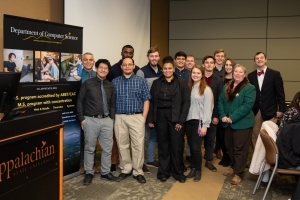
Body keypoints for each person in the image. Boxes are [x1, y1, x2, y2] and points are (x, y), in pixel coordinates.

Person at [77, 59, 120, 185]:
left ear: (108, 71)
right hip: (91, 119)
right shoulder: (88, 83)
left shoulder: (110, 85)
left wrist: (111, 119)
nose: (103, 70)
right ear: (97, 68)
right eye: (101, 67)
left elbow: (112, 104)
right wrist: (82, 119)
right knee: (89, 148)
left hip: (106, 120)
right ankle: (89, 172)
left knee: (107, 149)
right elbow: (80, 100)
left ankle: (106, 172)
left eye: (106, 68)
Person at [147, 56, 190, 183]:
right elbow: (152, 101)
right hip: (160, 117)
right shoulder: (156, 83)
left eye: (169, 68)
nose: (167, 70)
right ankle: (164, 171)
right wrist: (150, 119)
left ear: (174, 69)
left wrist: (181, 121)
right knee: (163, 145)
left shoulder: (182, 83)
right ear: (162, 70)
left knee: (176, 145)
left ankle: (177, 171)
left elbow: (186, 102)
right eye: (165, 68)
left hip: (176, 118)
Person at [112, 57, 151, 184]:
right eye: (125, 65)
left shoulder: (141, 81)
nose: (127, 67)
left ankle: (138, 171)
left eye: (130, 65)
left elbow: (146, 99)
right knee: (122, 144)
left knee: (138, 145)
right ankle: (126, 169)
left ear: (134, 66)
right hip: (120, 117)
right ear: (121, 67)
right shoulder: (115, 82)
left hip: (137, 117)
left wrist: (143, 118)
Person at [218, 64, 256, 185]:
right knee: (229, 147)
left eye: (240, 72)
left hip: (242, 124)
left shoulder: (249, 88)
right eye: (236, 72)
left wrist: (232, 118)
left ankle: (238, 173)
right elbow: (220, 101)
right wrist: (223, 115)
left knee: (240, 149)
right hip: (227, 123)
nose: (237, 74)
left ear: (244, 75)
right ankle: (233, 167)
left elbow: (247, 106)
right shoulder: (226, 85)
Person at [107, 45, 141, 172]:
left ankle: (137, 167)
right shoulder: (113, 70)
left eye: (130, 53)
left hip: (135, 113)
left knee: (136, 143)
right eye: (125, 52)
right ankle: (114, 162)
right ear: (121, 53)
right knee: (118, 141)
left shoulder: (137, 70)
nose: (127, 54)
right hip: (118, 113)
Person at [248, 52, 286, 152]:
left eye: (261, 58)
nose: (259, 59)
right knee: (255, 136)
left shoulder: (275, 74)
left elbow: (280, 93)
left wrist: (281, 109)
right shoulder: (250, 76)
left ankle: (269, 161)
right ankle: (256, 162)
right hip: (255, 111)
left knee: (269, 136)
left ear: (266, 60)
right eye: (257, 58)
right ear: (254, 61)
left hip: (271, 111)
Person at [136, 47, 162, 173]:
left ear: (159, 57)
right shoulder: (142, 71)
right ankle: (142, 162)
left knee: (154, 137)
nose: (154, 58)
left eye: (156, 56)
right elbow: (138, 92)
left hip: (159, 110)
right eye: (152, 56)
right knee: (144, 138)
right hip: (145, 109)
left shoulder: (163, 70)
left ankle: (150, 159)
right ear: (148, 57)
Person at [185, 65, 213, 182]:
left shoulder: (206, 90)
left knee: (196, 148)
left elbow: (208, 108)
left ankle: (198, 170)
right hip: (188, 121)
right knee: (191, 146)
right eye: (193, 73)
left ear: (202, 75)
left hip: (199, 122)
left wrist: (205, 126)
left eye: (198, 73)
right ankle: (193, 168)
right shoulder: (189, 87)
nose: (195, 75)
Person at [78, 52, 98, 174]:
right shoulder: (78, 75)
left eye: (90, 59)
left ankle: (92, 164)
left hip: (94, 113)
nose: (88, 62)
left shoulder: (98, 75)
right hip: (82, 111)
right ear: (82, 61)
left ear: (94, 61)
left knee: (92, 140)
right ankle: (82, 164)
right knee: (82, 140)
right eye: (86, 59)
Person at [202, 56, 223, 172]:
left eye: (211, 63)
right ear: (203, 64)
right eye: (207, 63)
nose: (209, 65)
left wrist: (216, 116)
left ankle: (209, 160)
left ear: (214, 65)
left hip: (212, 114)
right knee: (198, 139)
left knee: (210, 138)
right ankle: (196, 161)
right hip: (198, 114)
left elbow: (219, 99)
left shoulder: (218, 80)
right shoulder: (198, 78)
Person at [174, 51, 190, 172]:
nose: (180, 61)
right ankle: (177, 161)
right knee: (177, 139)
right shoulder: (170, 72)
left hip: (189, 109)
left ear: (185, 61)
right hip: (174, 112)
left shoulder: (190, 74)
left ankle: (188, 159)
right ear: (175, 60)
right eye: (178, 59)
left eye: (182, 59)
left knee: (189, 137)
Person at [218, 58, 236, 167]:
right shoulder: (221, 80)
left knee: (233, 138)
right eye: (227, 65)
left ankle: (232, 157)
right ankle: (225, 155)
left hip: (233, 114)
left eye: (230, 65)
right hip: (223, 112)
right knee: (222, 136)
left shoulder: (238, 80)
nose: (228, 67)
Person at [213, 49, 226, 160]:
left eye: (222, 56)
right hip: (211, 101)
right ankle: (211, 148)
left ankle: (218, 148)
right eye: (218, 56)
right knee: (212, 128)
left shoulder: (226, 70)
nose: (220, 58)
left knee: (221, 130)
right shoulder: (210, 69)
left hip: (223, 101)